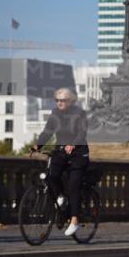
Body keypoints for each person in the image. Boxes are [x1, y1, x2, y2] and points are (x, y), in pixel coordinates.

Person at [29, 88, 89, 237]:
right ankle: (61, 197)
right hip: (61, 152)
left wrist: (73, 144)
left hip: (78, 154)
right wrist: (38, 145)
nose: (59, 103)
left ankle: (74, 220)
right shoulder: (54, 114)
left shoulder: (79, 114)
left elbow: (82, 133)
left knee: (73, 184)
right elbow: (47, 132)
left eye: (62, 100)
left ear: (70, 101)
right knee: (50, 176)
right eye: (57, 100)